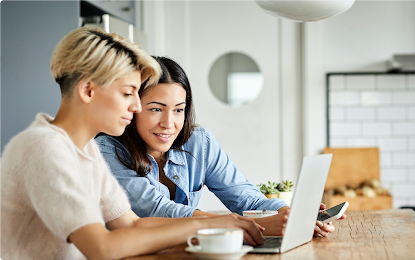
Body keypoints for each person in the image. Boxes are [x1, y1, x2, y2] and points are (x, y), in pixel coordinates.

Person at [0, 27, 264, 260]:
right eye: (128, 93)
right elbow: (101, 249)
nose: (137, 106)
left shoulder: (85, 148)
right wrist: (204, 225)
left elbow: (131, 225)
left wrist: (219, 224)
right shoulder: (45, 149)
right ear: (88, 90)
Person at [96, 56, 343, 237]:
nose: (169, 123)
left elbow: (245, 197)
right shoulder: (108, 150)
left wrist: (292, 215)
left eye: (179, 110)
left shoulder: (198, 142)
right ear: (134, 107)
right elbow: (156, 210)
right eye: (156, 109)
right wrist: (241, 224)